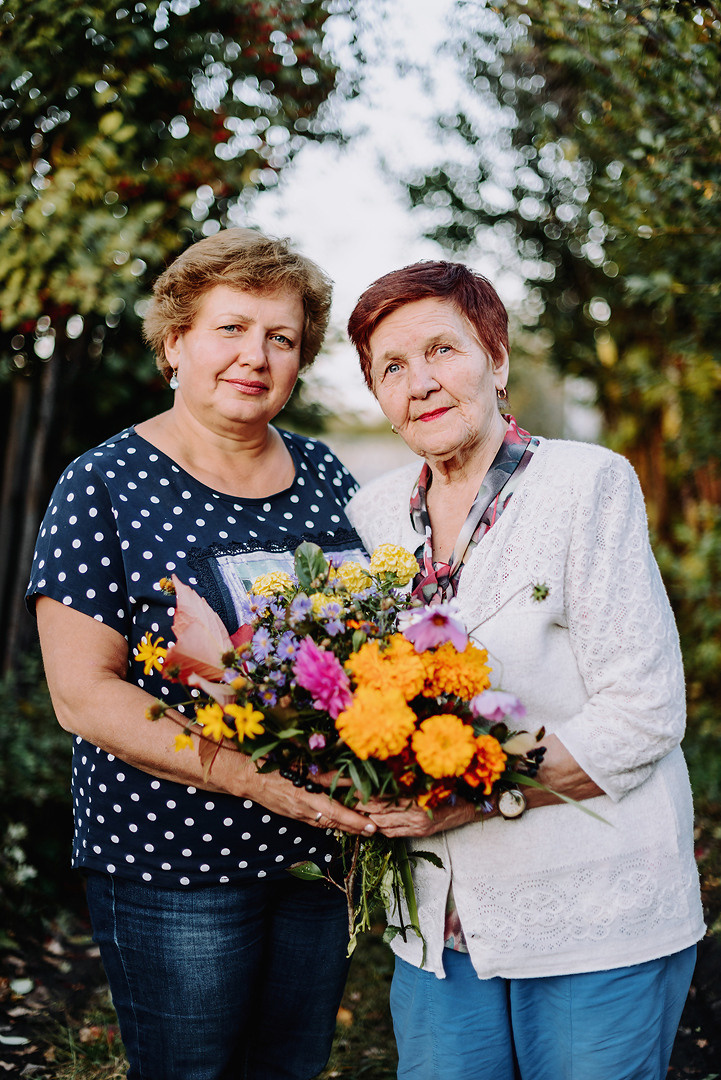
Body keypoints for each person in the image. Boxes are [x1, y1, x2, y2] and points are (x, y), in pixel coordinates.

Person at [27, 228, 377, 1080]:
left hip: (317, 853)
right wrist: (247, 775)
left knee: (289, 1065)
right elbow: (81, 695)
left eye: (280, 338)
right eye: (231, 328)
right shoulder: (105, 483)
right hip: (174, 859)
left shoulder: (333, 479)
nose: (254, 356)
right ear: (176, 340)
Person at [345, 260, 705, 1080]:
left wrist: (464, 799)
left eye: (443, 349)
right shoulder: (372, 515)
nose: (421, 383)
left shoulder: (585, 484)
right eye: (391, 367)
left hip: (591, 911)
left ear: (495, 357)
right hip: (439, 926)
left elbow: (643, 712)